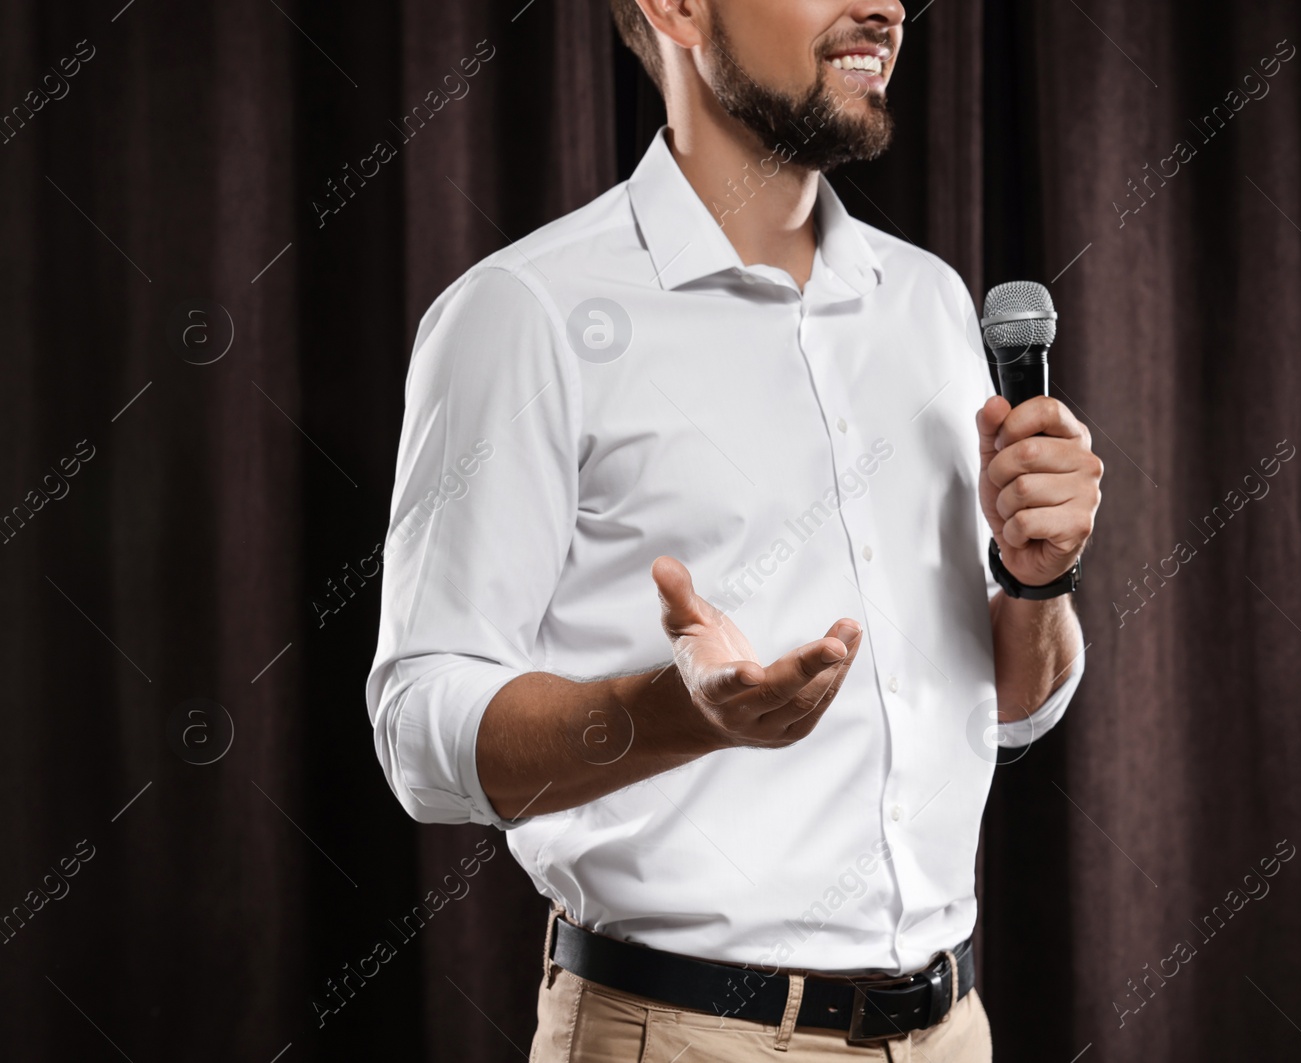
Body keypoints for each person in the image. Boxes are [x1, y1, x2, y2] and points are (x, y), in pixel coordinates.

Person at [365, 1, 1103, 1058]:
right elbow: (417, 732)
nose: (887, 6)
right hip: (681, 1033)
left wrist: (1036, 582)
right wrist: (683, 716)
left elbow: (1005, 709)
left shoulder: (927, 303)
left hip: (950, 1029)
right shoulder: (527, 313)